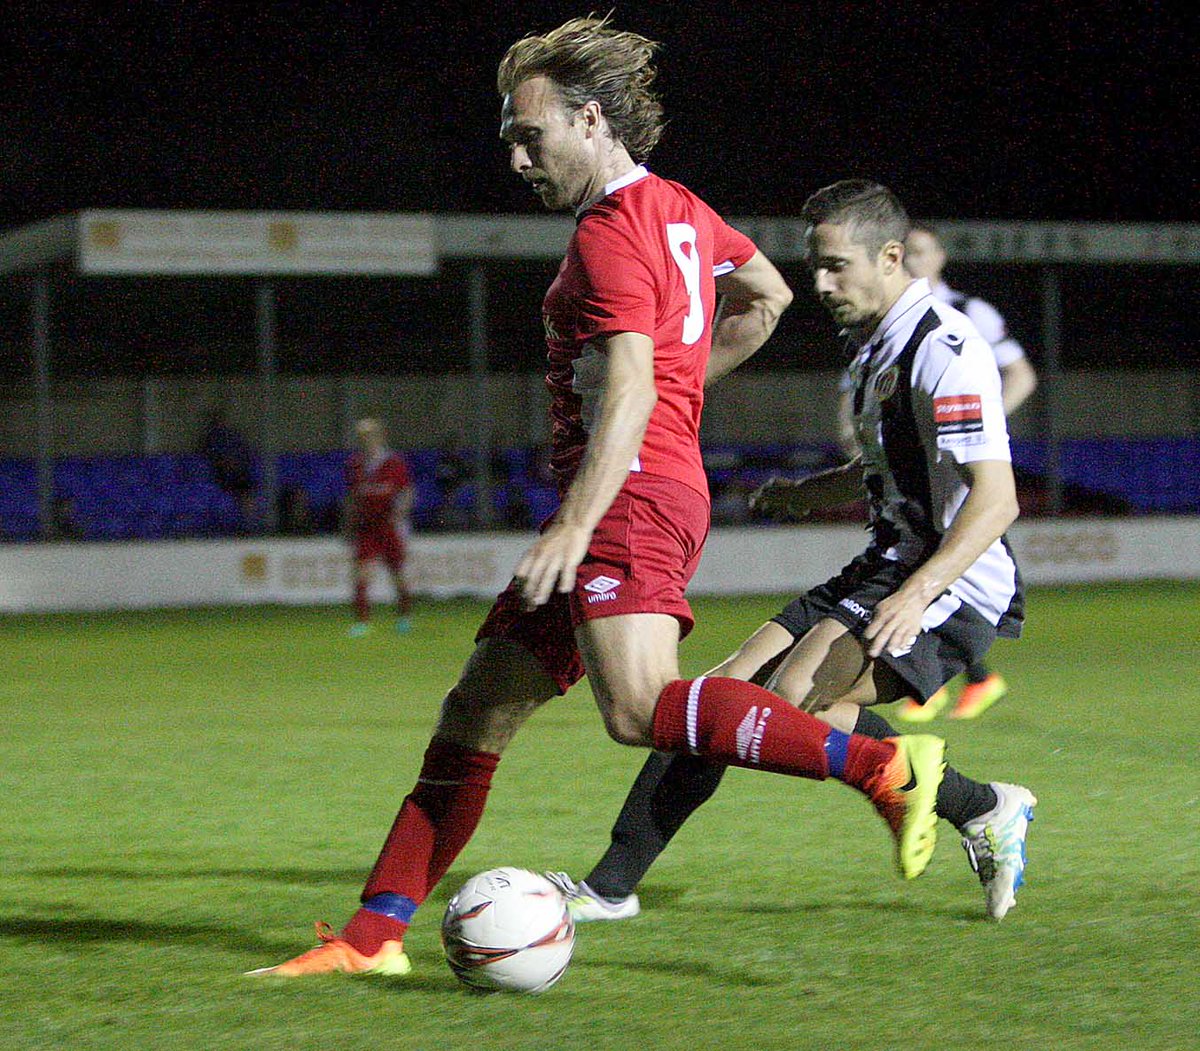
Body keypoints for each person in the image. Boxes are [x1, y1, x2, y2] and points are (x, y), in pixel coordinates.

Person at [248, 19, 947, 980]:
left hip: (622, 498)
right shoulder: (679, 208)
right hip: (642, 482)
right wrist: (680, 388)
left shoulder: (613, 234)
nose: (515, 155)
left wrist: (585, 510)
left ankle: (883, 765)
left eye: (529, 134)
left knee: (637, 707)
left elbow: (628, 383)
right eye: (508, 136)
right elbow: (767, 294)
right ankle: (370, 940)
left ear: (588, 119)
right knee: (475, 710)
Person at [550, 180, 1036, 926]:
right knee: (714, 700)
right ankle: (611, 886)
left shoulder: (947, 348)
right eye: (815, 266)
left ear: (892, 256)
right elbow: (892, 465)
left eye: (836, 265)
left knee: (783, 699)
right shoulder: (878, 347)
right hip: (889, 561)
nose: (819, 283)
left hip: (954, 578)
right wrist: (805, 493)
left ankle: (971, 802)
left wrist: (913, 595)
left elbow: (994, 499)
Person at [895, 222, 1037, 720]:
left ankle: (936, 681)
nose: (912, 260)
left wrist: (982, 423)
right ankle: (962, 678)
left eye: (921, 251)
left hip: (956, 467)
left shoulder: (968, 313)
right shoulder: (890, 317)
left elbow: (1021, 373)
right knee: (921, 557)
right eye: (904, 252)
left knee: (947, 557)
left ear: (939, 257)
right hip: (908, 467)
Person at [344, 418, 414, 636]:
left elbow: (407, 492)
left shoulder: (394, 463)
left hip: (389, 526)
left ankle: (403, 617)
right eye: (362, 436)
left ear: (379, 436)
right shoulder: (355, 464)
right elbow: (352, 497)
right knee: (361, 574)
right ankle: (362, 622)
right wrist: (349, 524)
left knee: (398, 574)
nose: (366, 440)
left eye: (370, 435)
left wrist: (400, 513)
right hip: (367, 527)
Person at [199, 407, 257, 531]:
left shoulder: (232, 436)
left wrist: (236, 462)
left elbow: (244, 452)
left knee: (247, 490)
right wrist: (225, 463)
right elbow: (211, 457)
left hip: (238, 474)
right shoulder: (212, 439)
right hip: (221, 476)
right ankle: (245, 524)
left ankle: (250, 524)